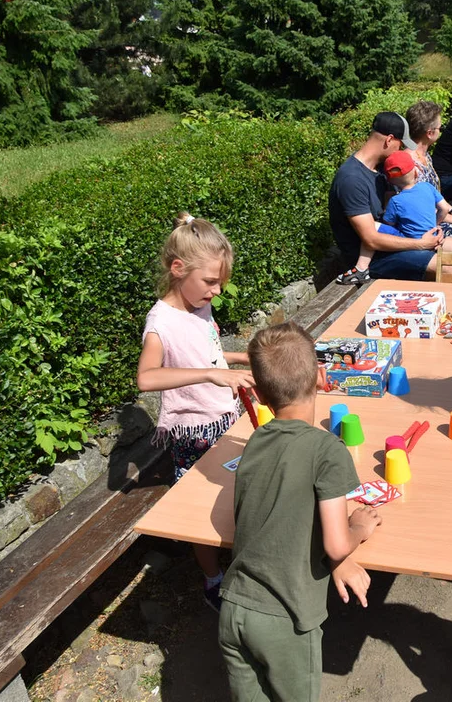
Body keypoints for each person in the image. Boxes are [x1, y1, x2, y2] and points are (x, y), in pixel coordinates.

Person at [218, 322, 381, 702]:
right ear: (322, 377)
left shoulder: (256, 438)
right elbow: (338, 545)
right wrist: (358, 527)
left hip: (234, 608)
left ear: (257, 393)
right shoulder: (327, 449)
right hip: (285, 619)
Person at [137, 212, 256, 611]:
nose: (217, 291)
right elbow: (146, 378)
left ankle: (241, 560)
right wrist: (210, 373)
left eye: (220, 282)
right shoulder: (161, 322)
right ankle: (213, 581)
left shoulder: (198, 304)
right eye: (210, 282)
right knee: (200, 511)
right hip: (195, 433)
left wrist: (245, 359)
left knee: (236, 494)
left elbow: (209, 352)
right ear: (177, 269)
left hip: (224, 417)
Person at [329, 111, 445, 285]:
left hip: (393, 242)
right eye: (400, 145)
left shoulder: (380, 169)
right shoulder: (351, 180)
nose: (401, 151)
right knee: (446, 267)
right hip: (373, 259)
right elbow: (370, 239)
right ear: (389, 140)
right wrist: (421, 243)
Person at [346, 151, 452, 275]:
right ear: (417, 171)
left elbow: (389, 225)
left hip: (412, 242)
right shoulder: (427, 187)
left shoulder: (395, 202)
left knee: (374, 227)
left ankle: (361, 268)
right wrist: (436, 223)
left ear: (392, 182)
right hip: (435, 238)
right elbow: (444, 209)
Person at [405, 100, 444, 190]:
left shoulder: (425, 156)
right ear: (430, 133)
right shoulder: (409, 163)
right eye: (440, 128)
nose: (440, 131)